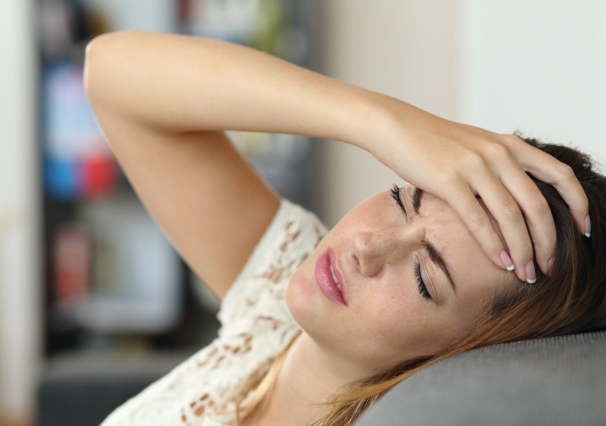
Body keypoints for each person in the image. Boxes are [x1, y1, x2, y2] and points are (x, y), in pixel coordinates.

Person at [83, 31, 603, 425]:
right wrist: (386, 124)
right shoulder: (276, 302)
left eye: (424, 277)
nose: (366, 248)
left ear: (475, 347)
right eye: (405, 200)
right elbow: (109, 70)